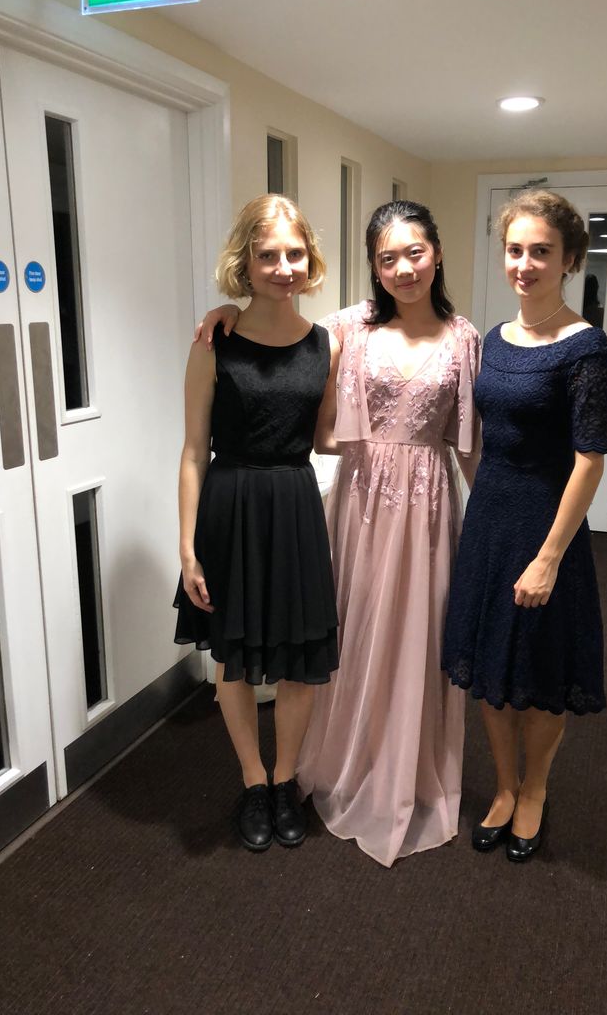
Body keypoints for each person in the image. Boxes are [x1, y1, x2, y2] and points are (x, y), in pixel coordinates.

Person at [197, 200, 480, 867]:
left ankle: (402, 768)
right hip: (360, 501)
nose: (403, 268)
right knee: (346, 632)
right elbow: (278, 334)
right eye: (388, 258)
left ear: (437, 253)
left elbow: (470, 445)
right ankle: (330, 763)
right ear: (374, 267)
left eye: (415, 253)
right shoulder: (348, 327)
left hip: (427, 504)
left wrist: (493, 520)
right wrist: (223, 314)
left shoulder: (464, 337)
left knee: (415, 634)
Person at [442, 189, 607, 862]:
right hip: (490, 519)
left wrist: (548, 557)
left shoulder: (585, 347)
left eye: (541, 251)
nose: (525, 263)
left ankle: (535, 788)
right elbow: (485, 435)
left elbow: (589, 460)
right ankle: (505, 787)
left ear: (569, 259)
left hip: (548, 526)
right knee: (491, 661)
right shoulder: (494, 339)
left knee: (540, 669)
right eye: (515, 249)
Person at [174, 194, 339, 852]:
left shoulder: (326, 343)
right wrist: (187, 547)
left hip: (295, 505)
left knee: (300, 657)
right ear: (244, 261)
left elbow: (326, 437)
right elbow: (193, 451)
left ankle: (284, 780)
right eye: (268, 255)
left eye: (294, 254)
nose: (284, 267)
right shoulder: (214, 341)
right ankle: (252, 781)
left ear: (310, 259)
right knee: (235, 657)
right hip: (230, 505)